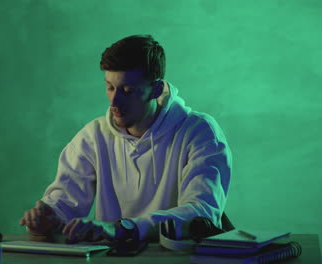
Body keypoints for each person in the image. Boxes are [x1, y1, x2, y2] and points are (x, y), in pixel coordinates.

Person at [19, 34, 232, 244]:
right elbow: (64, 200)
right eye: (109, 87)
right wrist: (49, 218)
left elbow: (201, 212)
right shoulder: (93, 136)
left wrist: (125, 228)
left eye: (127, 90)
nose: (114, 101)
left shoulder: (200, 132)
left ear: (155, 90)